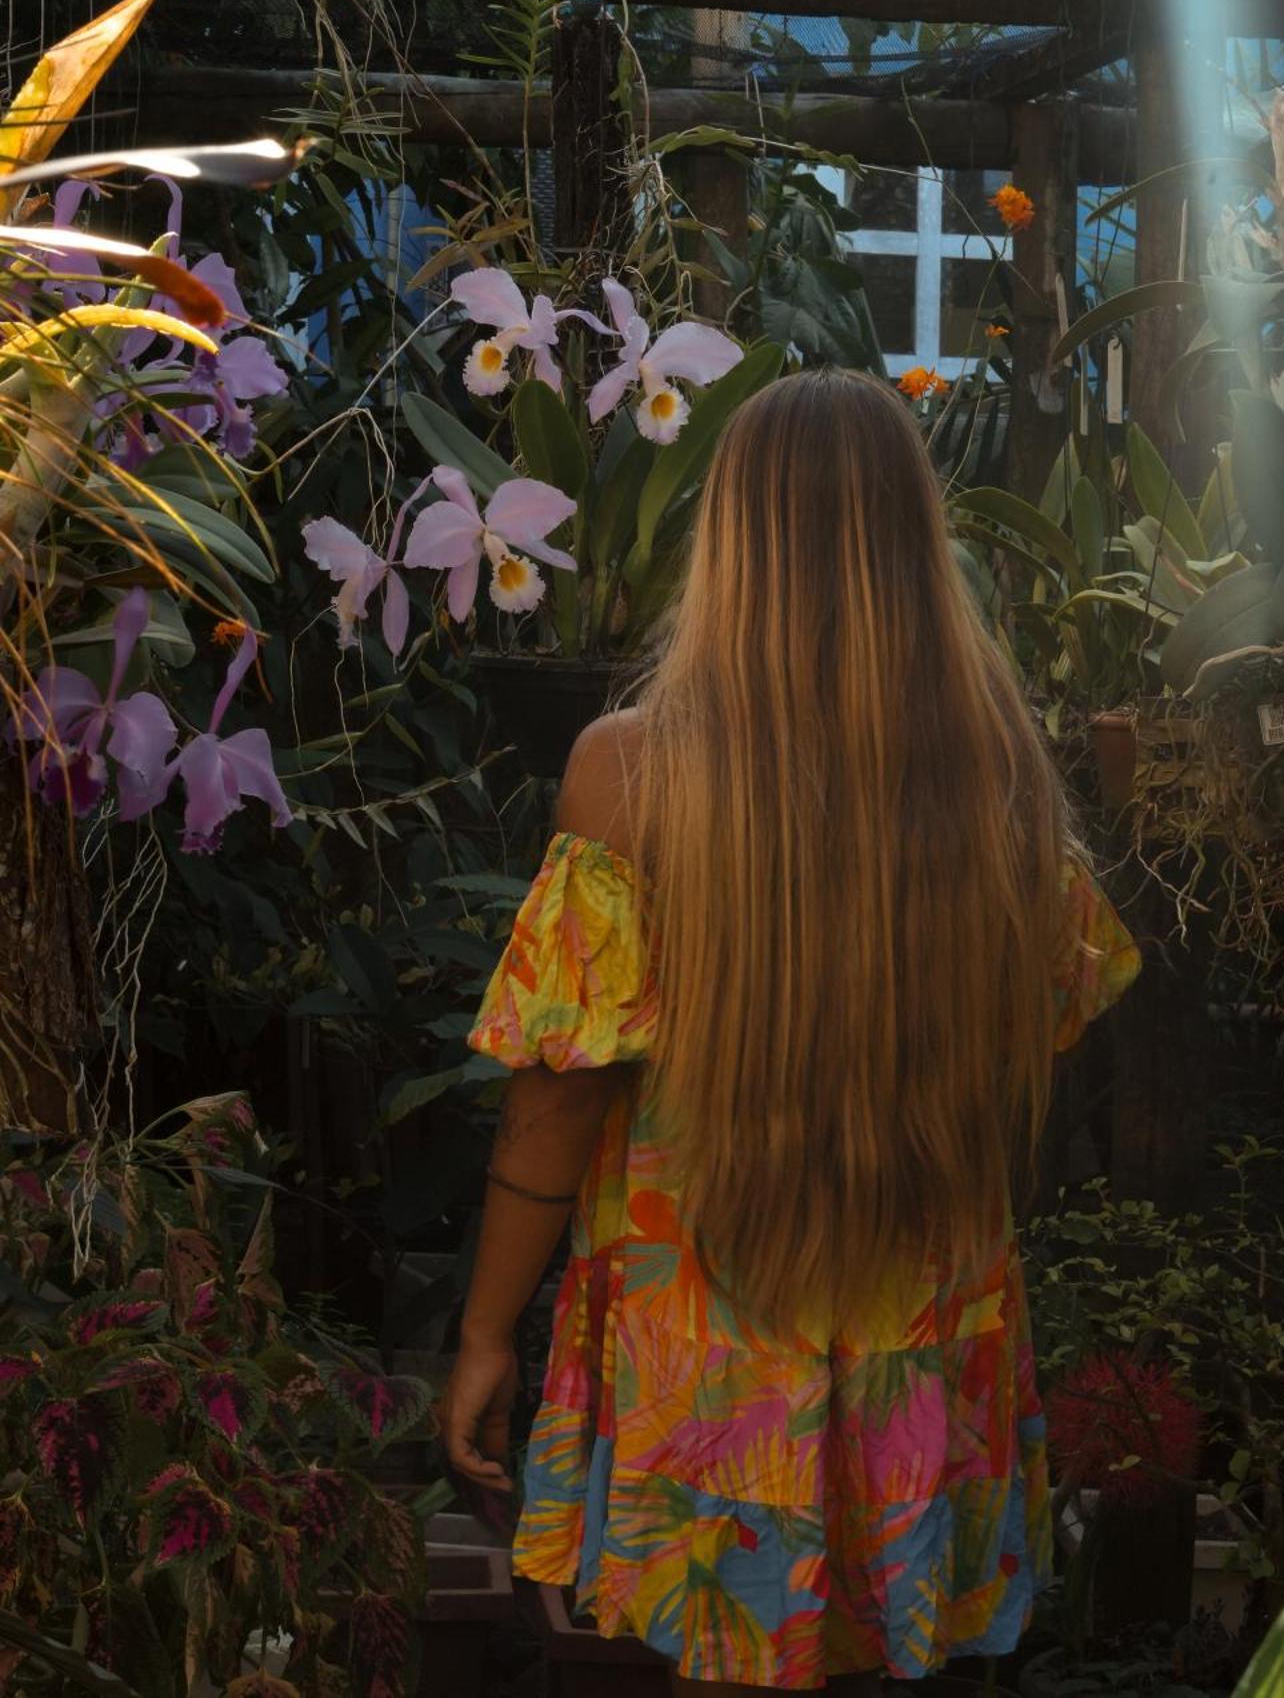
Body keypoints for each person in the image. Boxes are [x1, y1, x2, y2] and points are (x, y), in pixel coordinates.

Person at [440, 369, 1139, 1693]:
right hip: (918, 1319)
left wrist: (486, 1329)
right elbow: (1041, 1031)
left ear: (734, 538)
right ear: (912, 541)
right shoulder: (999, 775)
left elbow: (557, 1104)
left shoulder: (629, 772)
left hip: (702, 1327)